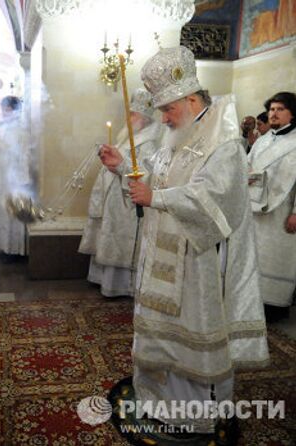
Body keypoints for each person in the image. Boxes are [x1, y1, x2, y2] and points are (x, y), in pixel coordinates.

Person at [99, 46, 269, 434]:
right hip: (163, 254)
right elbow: (156, 184)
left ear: (191, 100)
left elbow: (215, 200)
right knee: (160, 332)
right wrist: (122, 169)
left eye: (169, 109)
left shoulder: (222, 141)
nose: (163, 118)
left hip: (198, 261)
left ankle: (192, 414)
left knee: (192, 334)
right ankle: (157, 400)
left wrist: (156, 198)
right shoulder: (179, 134)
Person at [79, 88, 161, 296]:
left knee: (120, 241)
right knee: (109, 236)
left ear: (143, 119)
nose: (128, 118)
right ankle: (103, 280)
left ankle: (121, 286)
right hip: (115, 197)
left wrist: (120, 166)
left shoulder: (148, 144)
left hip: (128, 202)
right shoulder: (128, 137)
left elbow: (147, 176)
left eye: (133, 114)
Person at [247, 91, 296, 322]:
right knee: (254, 256)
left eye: (280, 109)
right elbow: (247, 168)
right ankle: (252, 301)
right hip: (255, 208)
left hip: (282, 211)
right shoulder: (263, 140)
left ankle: (275, 306)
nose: (273, 114)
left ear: (292, 114)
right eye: (271, 109)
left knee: (276, 258)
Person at [0, 96, 30, 256]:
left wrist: (22, 181)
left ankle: (14, 250)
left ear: (16, 110)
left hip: (14, 178)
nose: (4, 112)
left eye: (7, 109)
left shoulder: (22, 129)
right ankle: (3, 247)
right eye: (3, 109)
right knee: (1, 211)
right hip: (0, 177)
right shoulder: (2, 128)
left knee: (12, 212)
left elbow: (25, 154)